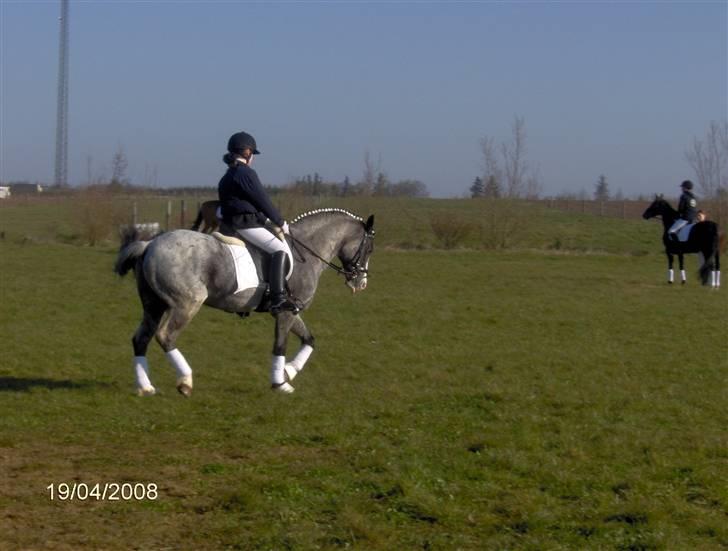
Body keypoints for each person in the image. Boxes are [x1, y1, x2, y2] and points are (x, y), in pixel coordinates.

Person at [218, 131, 298, 315]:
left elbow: (245, 204)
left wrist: (266, 221)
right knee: (280, 250)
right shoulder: (246, 173)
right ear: (247, 152)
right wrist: (280, 222)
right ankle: (277, 298)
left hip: (232, 224)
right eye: (252, 153)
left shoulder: (228, 175)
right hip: (244, 225)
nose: (253, 157)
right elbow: (262, 201)